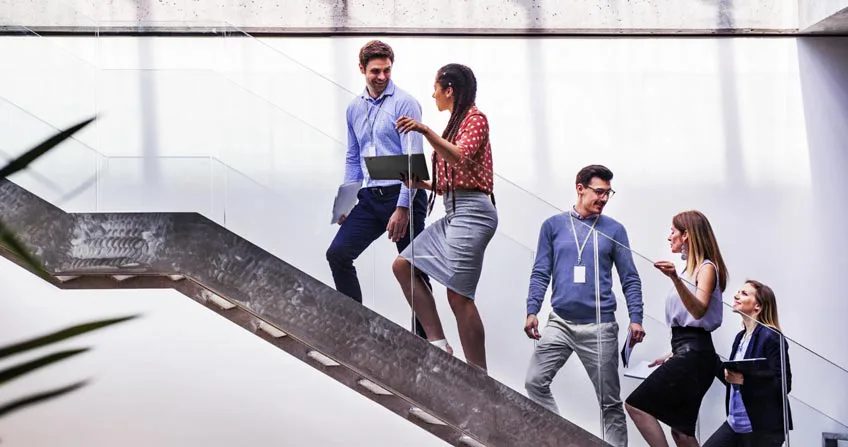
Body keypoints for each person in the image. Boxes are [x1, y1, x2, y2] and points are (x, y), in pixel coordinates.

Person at [523, 164, 645, 447]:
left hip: (600, 327)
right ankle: (561, 440)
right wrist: (532, 310)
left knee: (609, 403)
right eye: (599, 192)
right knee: (534, 381)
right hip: (560, 323)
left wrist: (636, 318)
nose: (603, 199)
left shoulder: (614, 230)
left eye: (608, 193)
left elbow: (630, 278)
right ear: (580, 188)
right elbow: (541, 272)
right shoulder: (553, 226)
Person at [392, 63, 497, 371]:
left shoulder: (475, 119)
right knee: (403, 265)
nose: (433, 94)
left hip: (474, 212)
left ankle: (479, 375)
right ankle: (438, 344)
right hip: (454, 210)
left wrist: (425, 130)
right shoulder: (457, 122)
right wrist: (421, 183)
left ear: (449, 90)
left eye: (436, 88)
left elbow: (460, 157)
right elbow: (454, 177)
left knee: (459, 296)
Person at [325, 40, 430, 337]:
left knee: (414, 271)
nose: (382, 77)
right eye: (375, 71)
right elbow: (352, 156)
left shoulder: (405, 103)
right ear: (362, 69)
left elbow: (413, 158)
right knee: (338, 254)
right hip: (369, 198)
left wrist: (403, 207)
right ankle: (354, 328)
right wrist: (345, 203)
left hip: (403, 195)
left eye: (386, 70)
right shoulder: (354, 108)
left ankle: (425, 343)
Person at [626, 210, 728, 447]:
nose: (669, 236)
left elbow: (699, 310)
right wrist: (673, 353)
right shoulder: (690, 271)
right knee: (681, 432)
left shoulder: (706, 268)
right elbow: (689, 327)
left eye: (673, 231)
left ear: (687, 235)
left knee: (636, 405)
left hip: (695, 354)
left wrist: (674, 279)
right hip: (689, 351)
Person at [703, 280, 792, 447]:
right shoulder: (740, 337)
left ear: (757, 307)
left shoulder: (772, 337)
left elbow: (784, 384)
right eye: (738, 292)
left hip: (762, 427)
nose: (736, 295)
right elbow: (736, 379)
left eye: (744, 293)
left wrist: (745, 381)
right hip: (735, 423)